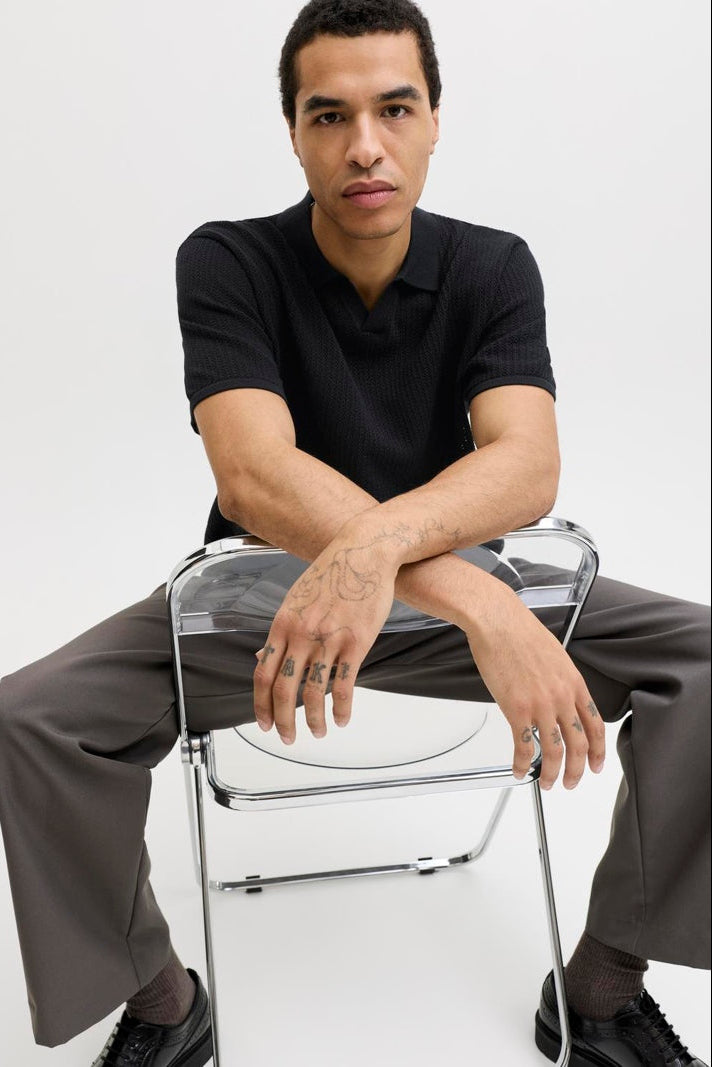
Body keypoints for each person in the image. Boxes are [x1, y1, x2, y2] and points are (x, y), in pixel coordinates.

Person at [0, 1, 709, 1064]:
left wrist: (403, 565)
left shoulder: (493, 266)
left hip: (463, 608)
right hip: (269, 612)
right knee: (32, 717)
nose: (364, 145)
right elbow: (252, 474)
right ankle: (163, 1003)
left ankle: (601, 990)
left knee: (707, 660)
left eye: (395, 109)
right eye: (329, 115)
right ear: (293, 132)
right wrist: (480, 603)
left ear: (435, 122)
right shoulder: (228, 260)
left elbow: (527, 463)